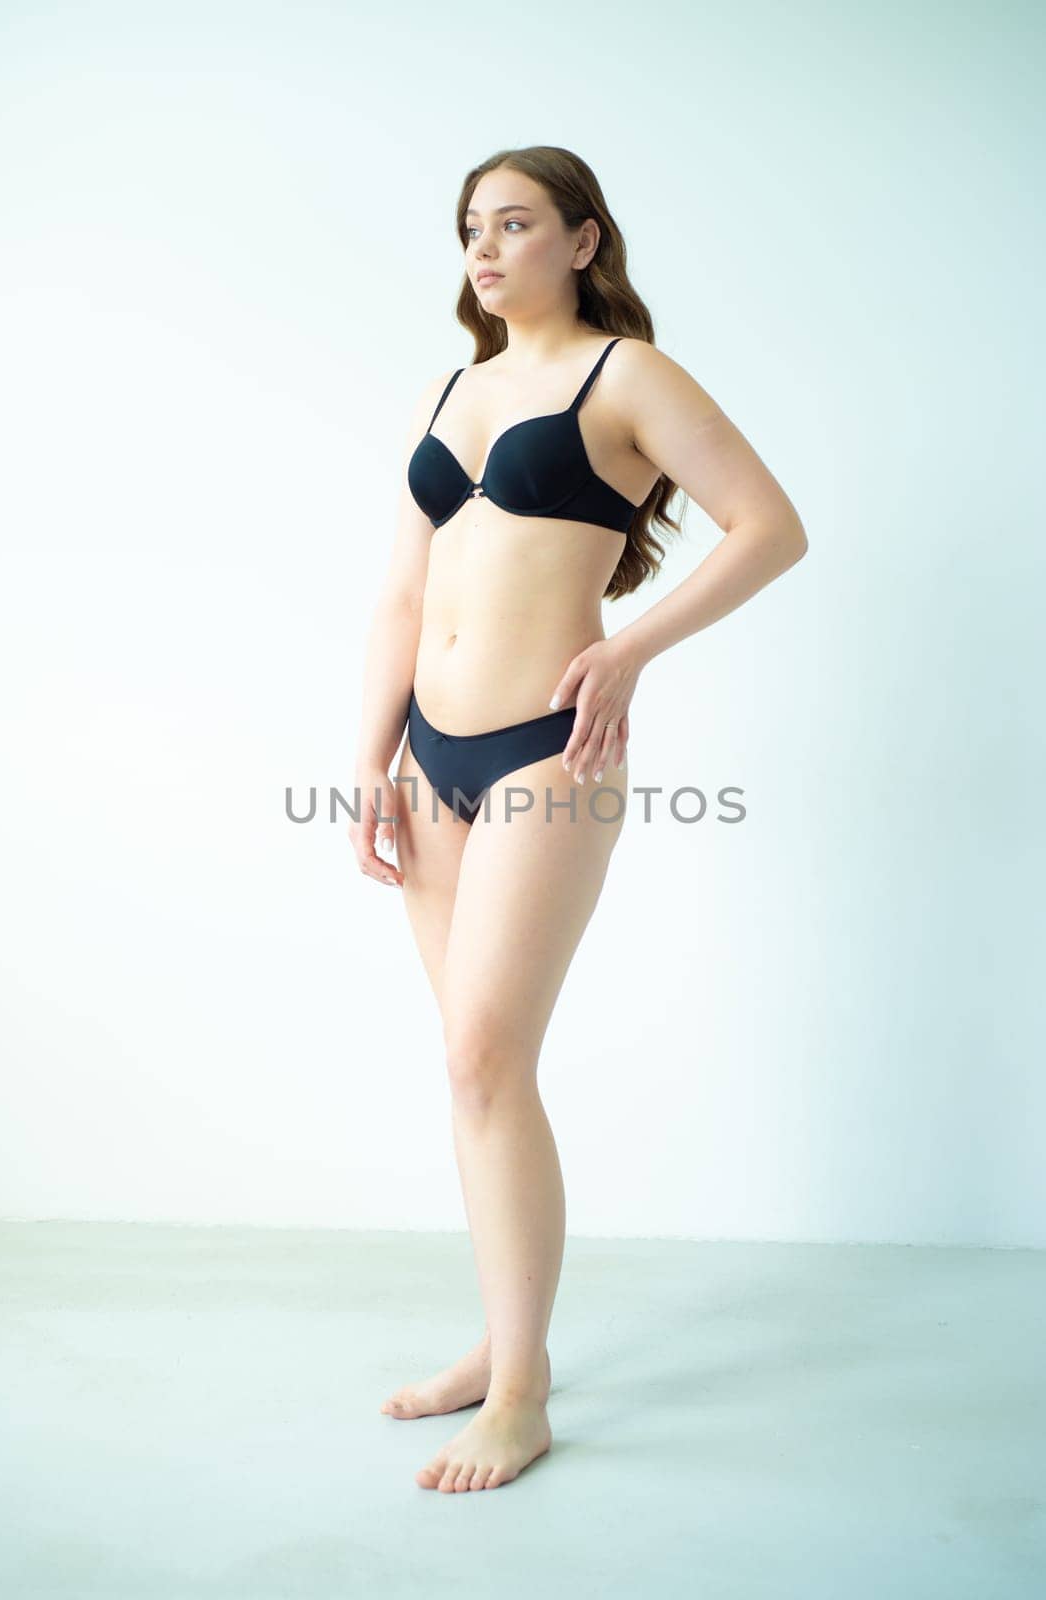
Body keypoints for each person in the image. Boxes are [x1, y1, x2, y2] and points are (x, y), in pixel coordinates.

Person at [350, 145, 808, 1493]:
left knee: (491, 1051)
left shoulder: (627, 378)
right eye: (470, 230)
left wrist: (629, 649)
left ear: (585, 240)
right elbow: (397, 593)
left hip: (552, 744)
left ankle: (528, 1389)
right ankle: (501, 1345)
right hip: (430, 758)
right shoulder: (456, 385)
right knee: (473, 1072)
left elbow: (768, 525)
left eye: (514, 224)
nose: (484, 252)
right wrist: (371, 754)